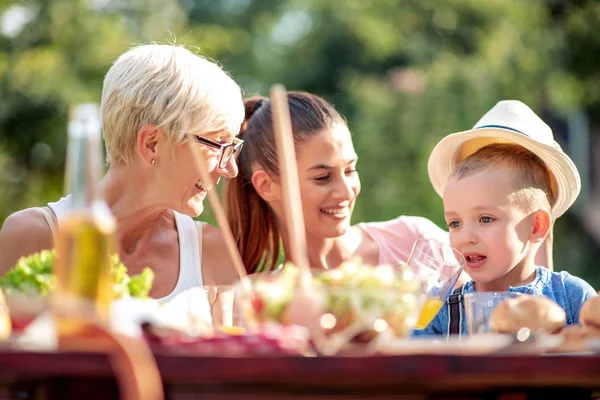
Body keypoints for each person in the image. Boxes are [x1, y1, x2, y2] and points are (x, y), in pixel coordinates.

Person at [0, 44, 245, 302]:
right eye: (218, 144)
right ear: (152, 143)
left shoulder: (212, 252)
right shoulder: (31, 236)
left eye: (232, 148)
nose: (230, 169)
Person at [414, 100, 597, 337]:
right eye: (455, 223)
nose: (466, 237)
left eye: (486, 219)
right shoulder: (442, 310)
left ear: (537, 226)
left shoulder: (571, 297)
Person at [225, 91, 450, 274]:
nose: (346, 192)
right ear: (266, 185)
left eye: (350, 170)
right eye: (323, 178)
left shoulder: (417, 243)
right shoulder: (270, 302)